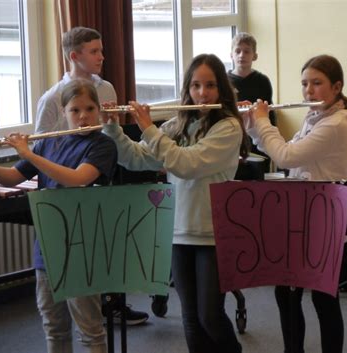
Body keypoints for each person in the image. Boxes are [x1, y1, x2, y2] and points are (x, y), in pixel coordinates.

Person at [101, 53, 248, 353]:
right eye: (195, 86)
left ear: (221, 88)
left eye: (209, 85)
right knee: (191, 319)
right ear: (187, 88)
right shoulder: (179, 125)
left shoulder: (229, 127)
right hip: (179, 231)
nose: (202, 94)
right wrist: (113, 129)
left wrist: (148, 128)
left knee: (210, 316)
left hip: (213, 233)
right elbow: (135, 158)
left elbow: (187, 164)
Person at [245, 54, 347, 353]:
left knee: (322, 297)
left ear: (337, 87)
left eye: (317, 83)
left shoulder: (339, 121)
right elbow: (287, 151)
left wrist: (263, 121)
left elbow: (286, 157)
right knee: (287, 291)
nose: (308, 91)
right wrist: (252, 125)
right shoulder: (317, 115)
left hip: (325, 207)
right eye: (304, 84)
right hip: (304, 205)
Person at [34, 25, 148, 325]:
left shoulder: (106, 87)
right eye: (94, 51)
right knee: (57, 315)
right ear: (74, 56)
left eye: (101, 49)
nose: (102, 56)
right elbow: (41, 145)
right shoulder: (51, 98)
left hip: (100, 173)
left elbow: (110, 134)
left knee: (104, 252)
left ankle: (113, 304)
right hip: (64, 189)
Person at [0, 79, 117, 353]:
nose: (83, 116)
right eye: (75, 110)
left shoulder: (103, 145)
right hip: (48, 247)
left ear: (98, 110)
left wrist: (28, 153)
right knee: (54, 326)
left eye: (89, 108)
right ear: (64, 113)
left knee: (90, 330)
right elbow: (13, 177)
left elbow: (77, 179)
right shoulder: (50, 143)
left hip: (83, 248)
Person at [228, 32, 276, 176]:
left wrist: (270, 144)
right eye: (238, 51)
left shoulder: (262, 81)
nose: (242, 55)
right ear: (231, 55)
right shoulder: (224, 81)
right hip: (232, 141)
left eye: (247, 51)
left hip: (256, 141)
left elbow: (269, 113)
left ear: (254, 56)